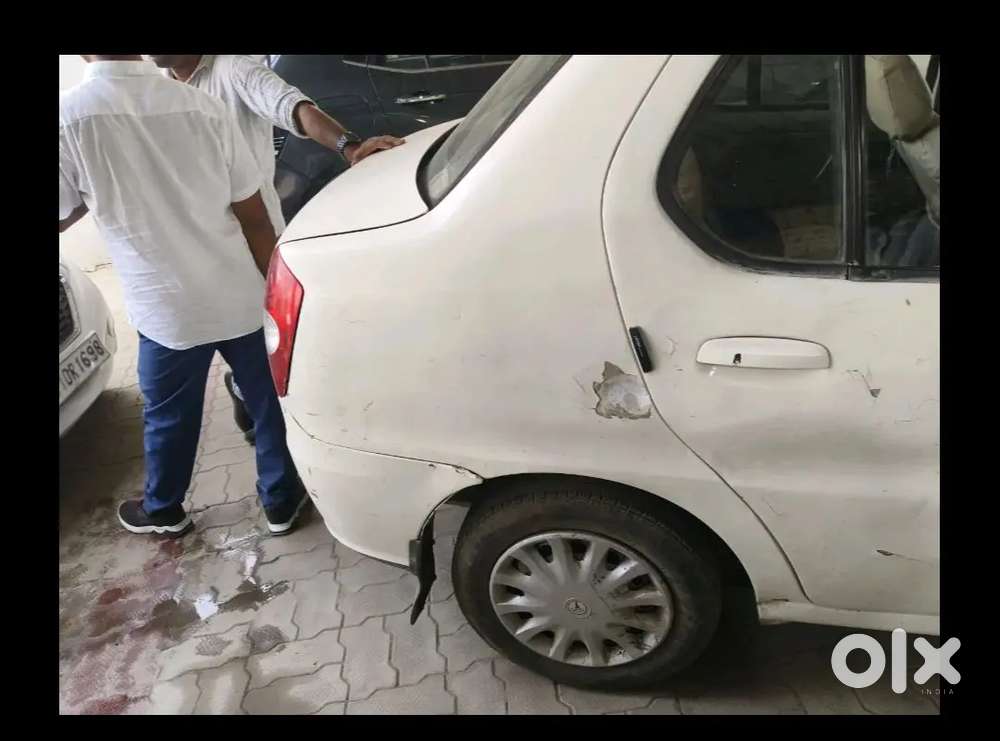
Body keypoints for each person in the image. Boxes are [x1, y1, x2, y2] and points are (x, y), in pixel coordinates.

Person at [60, 55, 307, 538]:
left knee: (168, 414)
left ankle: (164, 509)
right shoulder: (203, 107)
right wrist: (275, 293)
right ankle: (281, 502)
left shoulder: (70, 119)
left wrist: (100, 188)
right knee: (269, 401)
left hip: (167, 308)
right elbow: (254, 216)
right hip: (239, 292)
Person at [147, 55, 405, 441]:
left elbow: (294, 107)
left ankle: (290, 430)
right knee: (248, 352)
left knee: (277, 342)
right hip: (196, 250)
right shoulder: (156, 89)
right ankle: (254, 400)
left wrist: (348, 146)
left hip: (253, 241)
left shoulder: (234, 70)